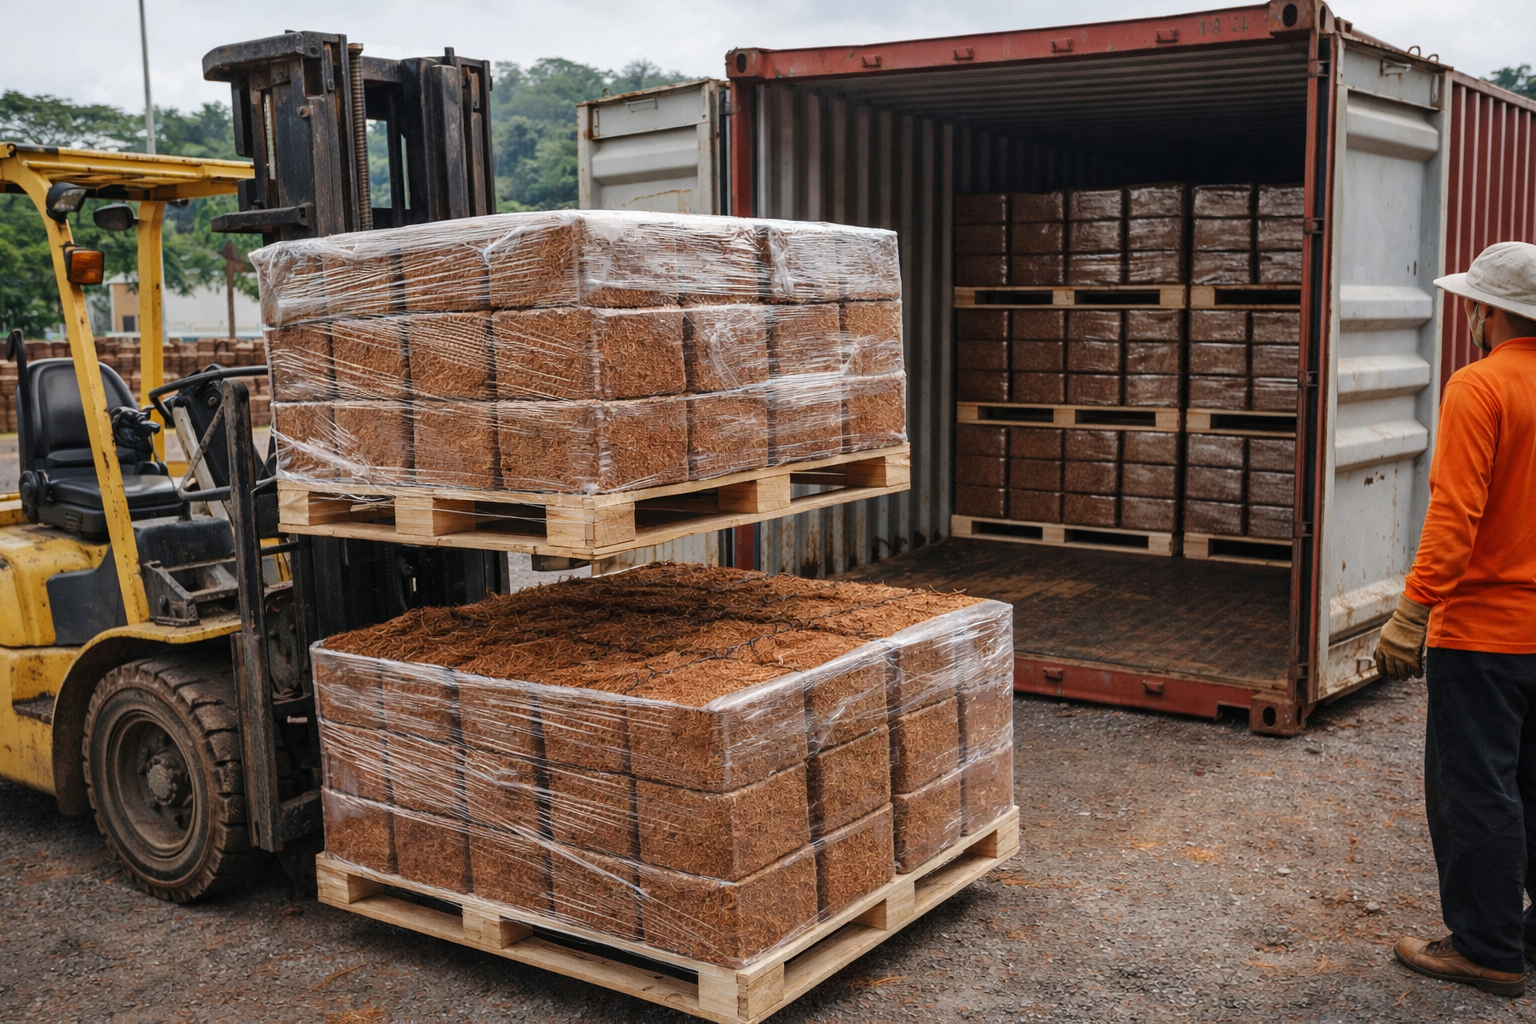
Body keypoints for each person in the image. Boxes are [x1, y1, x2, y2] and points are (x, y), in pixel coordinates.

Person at [1376, 241, 1536, 998]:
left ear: (1490, 311)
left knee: (1475, 788)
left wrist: (1412, 612)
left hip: (1487, 636)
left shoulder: (1481, 387)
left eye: (1473, 302)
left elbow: (1455, 513)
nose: (1468, 312)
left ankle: (1486, 948)